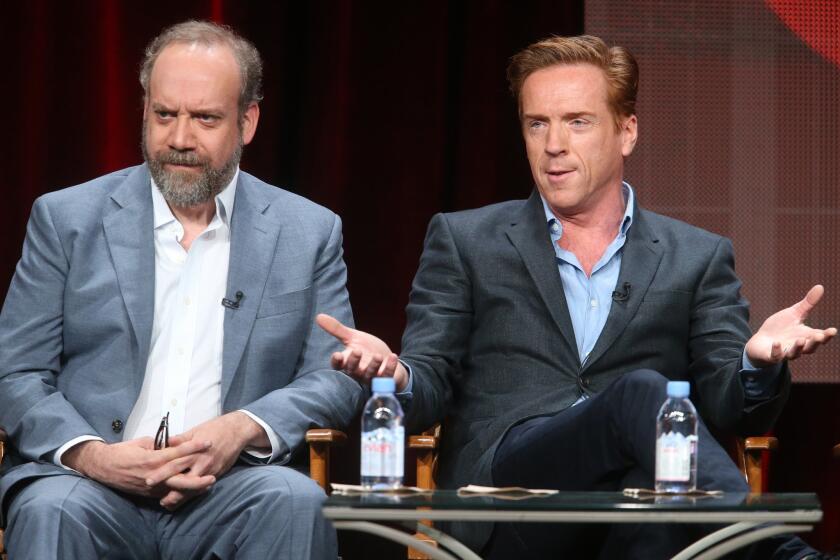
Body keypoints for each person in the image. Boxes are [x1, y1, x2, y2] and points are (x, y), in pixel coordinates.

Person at [317, 35, 836, 558]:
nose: (553, 144)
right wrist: (396, 375)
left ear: (627, 132)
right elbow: (430, 379)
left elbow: (733, 410)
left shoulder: (696, 256)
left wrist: (755, 361)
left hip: (633, 502)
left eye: (577, 121)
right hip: (511, 500)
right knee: (644, 394)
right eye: (536, 123)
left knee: (654, 516)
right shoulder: (465, 239)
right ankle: (778, 556)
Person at [0, 20, 363, 560]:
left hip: (234, 485)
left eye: (206, 119)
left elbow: (333, 380)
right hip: (88, 485)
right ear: (144, 111)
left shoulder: (307, 232)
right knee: (48, 511)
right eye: (164, 115)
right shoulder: (66, 219)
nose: (179, 139)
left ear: (247, 122)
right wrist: (93, 455)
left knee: (293, 500)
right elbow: (16, 370)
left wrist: (242, 429)